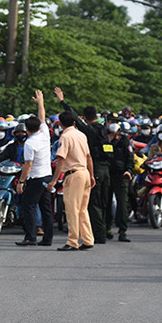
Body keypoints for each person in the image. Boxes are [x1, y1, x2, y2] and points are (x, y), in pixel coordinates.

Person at [56, 88, 110, 244]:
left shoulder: (87, 131)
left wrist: (62, 101)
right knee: (98, 204)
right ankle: (95, 235)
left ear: (85, 118)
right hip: (103, 169)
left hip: (89, 170)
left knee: (87, 206)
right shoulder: (103, 130)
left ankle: (94, 236)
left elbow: (74, 119)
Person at [47, 108, 95, 251]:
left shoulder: (65, 137)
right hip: (84, 172)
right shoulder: (81, 135)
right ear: (74, 122)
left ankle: (72, 241)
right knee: (82, 209)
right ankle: (87, 239)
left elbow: (61, 159)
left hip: (73, 174)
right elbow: (88, 157)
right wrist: (91, 175)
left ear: (60, 124)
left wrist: (54, 180)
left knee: (72, 210)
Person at [14, 91, 54, 247]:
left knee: (29, 206)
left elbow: (28, 165)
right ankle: (48, 239)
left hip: (36, 178)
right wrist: (41, 103)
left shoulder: (29, 143)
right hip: (47, 177)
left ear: (26, 130)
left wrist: (21, 182)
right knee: (46, 208)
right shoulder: (44, 134)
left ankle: (30, 237)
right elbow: (42, 118)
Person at [105, 114, 133, 243]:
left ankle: (122, 231)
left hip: (121, 175)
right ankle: (107, 228)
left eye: (116, 122)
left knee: (122, 203)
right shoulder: (103, 137)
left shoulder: (124, 139)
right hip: (106, 175)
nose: (114, 124)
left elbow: (130, 158)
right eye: (112, 121)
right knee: (105, 202)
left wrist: (128, 171)